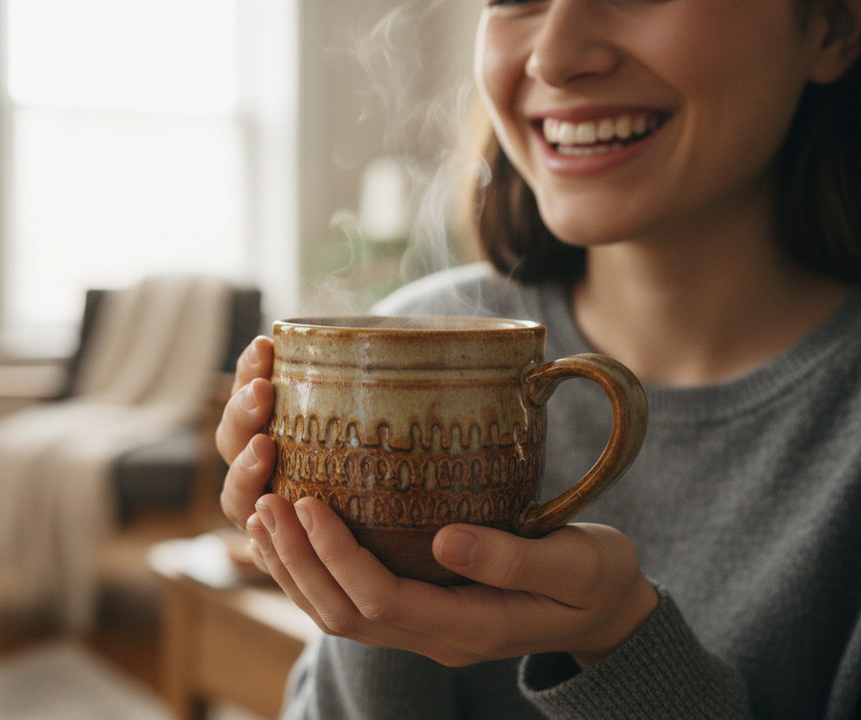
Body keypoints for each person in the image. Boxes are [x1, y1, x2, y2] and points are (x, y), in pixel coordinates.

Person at [215, 0, 861, 717]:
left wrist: (620, 644)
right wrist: (362, 584)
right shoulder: (412, 341)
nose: (552, 56)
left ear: (831, 27)